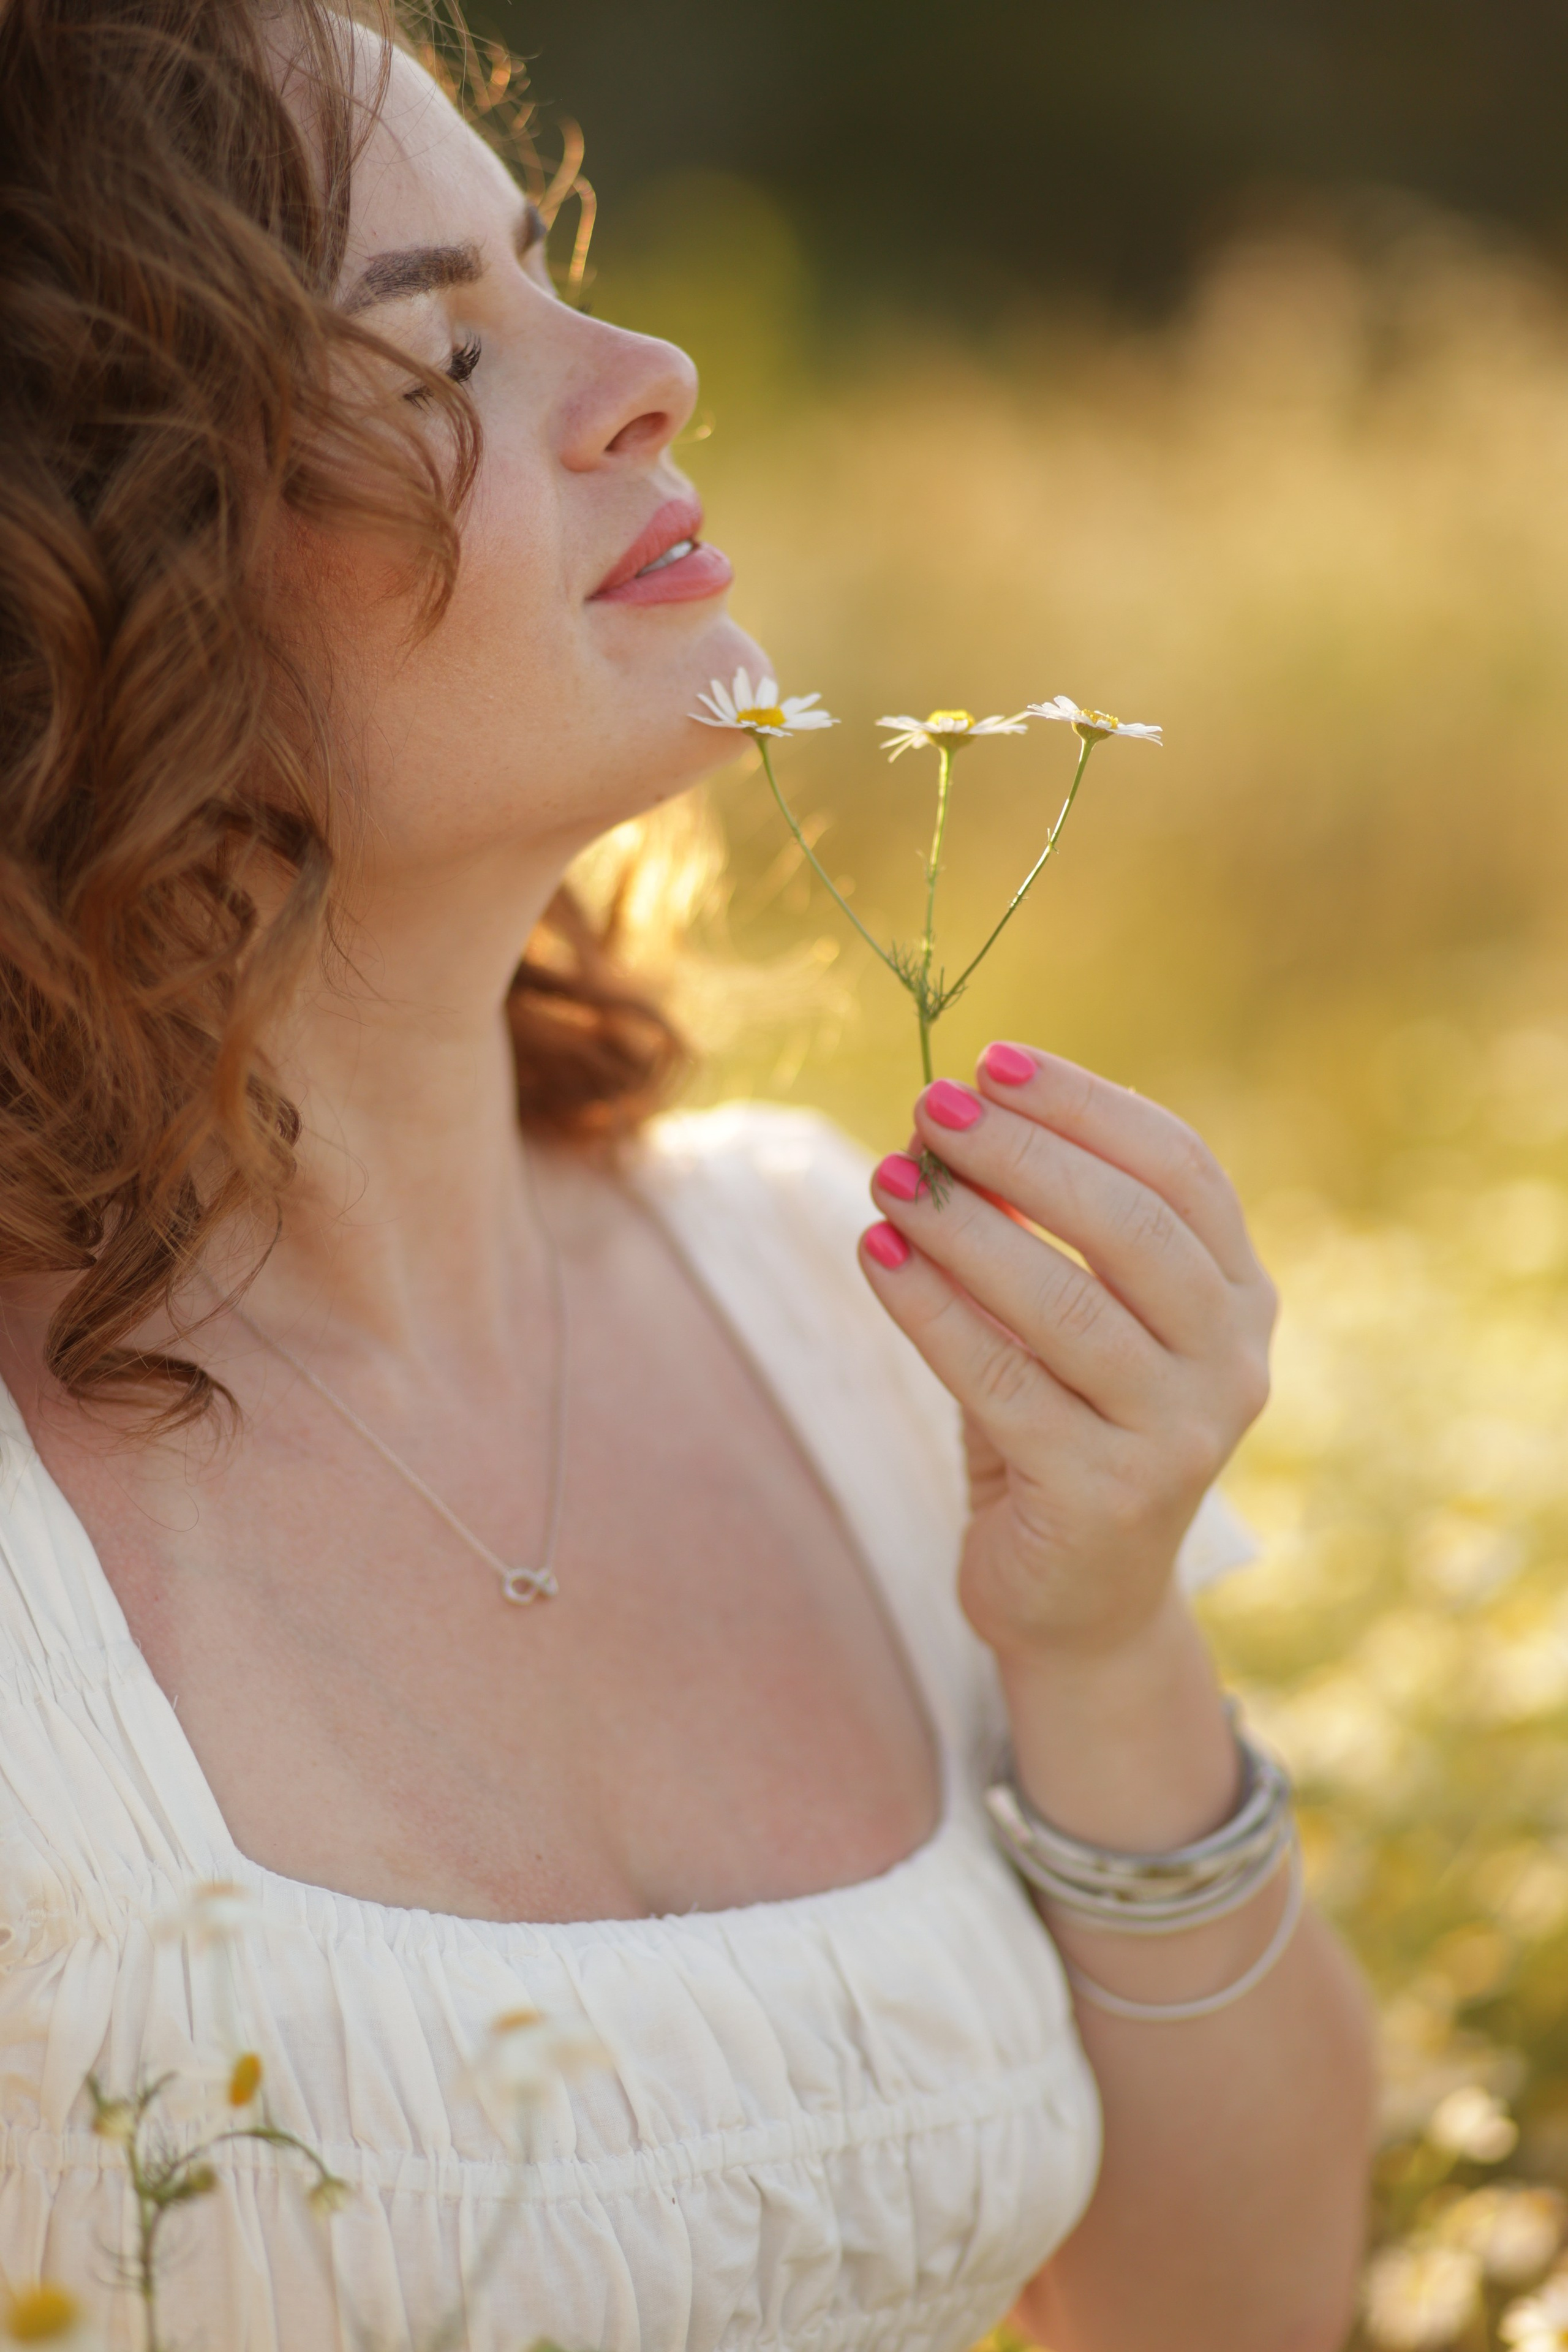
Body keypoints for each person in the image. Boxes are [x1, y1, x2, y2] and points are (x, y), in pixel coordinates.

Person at [0, 4, 1373, 2346]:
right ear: (87, 556)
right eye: (436, 349)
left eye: (547, 277)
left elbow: (1228, 2313)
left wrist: (1106, 1631)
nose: (648, 370)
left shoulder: (827, 1295)